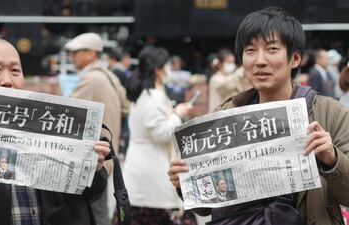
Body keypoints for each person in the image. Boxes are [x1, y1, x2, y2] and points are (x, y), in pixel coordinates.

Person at [168, 7, 349, 225]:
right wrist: (185, 183)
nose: (259, 61)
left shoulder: (331, 114)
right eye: (251, 50)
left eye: (272, 49)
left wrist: (332, 160)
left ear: (295, 59)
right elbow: (206, 208)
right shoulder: (225, 117)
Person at [0, 38, 110, 225]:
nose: (8, 81)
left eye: (15, 71)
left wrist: (93, 169)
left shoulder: (51, 124)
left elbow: (90, 194)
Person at [115, 46, 196, 225]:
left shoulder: (142, 94)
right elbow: (160, 133)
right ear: (159, 70)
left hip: (138, 164)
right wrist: (178, 114)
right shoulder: (155, 96)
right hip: (153, 167)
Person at [65, 32, 130, 225]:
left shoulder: (90, 79)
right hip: (108, 155)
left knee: (93, 214)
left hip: (93, 159)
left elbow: (69, 114)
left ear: (91, 53)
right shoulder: (108, 75)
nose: (72, 57)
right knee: (100, 211)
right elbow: (126, 106)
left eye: (76, 52)